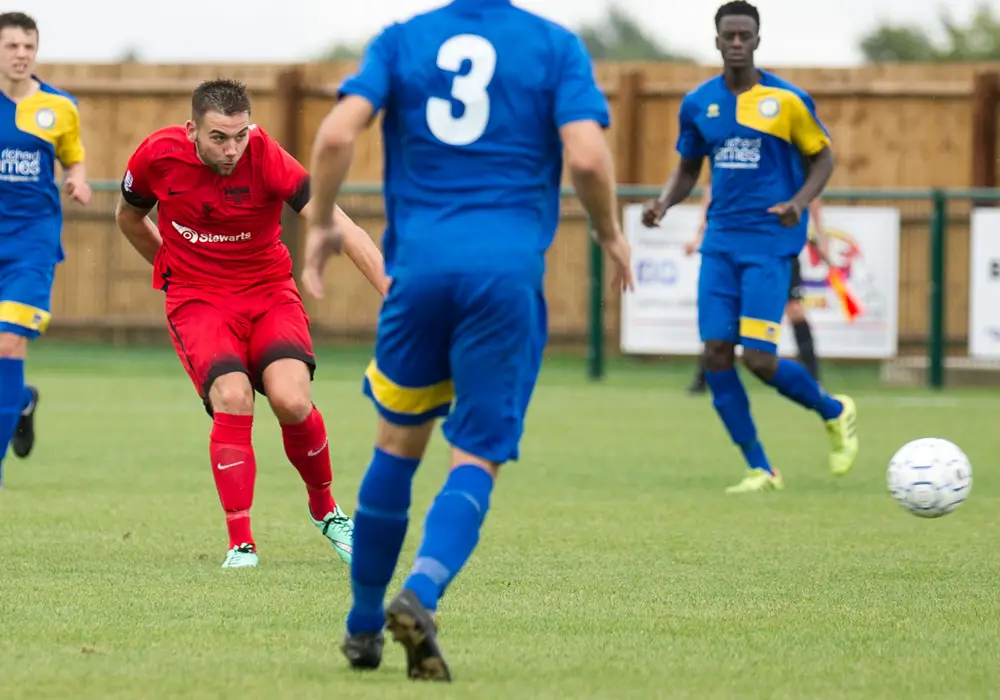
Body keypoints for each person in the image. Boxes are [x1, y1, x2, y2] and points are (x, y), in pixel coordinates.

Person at [302, 0, 632, 681]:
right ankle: (420, 592)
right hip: (504, 281)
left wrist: (320, 227)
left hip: (416, 274)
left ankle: (363, 627)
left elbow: (336, 136)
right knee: (475, 456)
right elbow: (590, 157)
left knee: (395, 445)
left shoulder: (402, 41)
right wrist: (608, 232)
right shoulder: (554, 46)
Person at [114, 78, 389, 568]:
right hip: (198, 300)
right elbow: (128, 217)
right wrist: (172, 267)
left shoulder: (267, 157)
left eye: (240, 135)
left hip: (267, 293)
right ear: (191, 130)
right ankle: (241, 544)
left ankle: (326, 511)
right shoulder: (155, 156)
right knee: (234, 395)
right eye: (219, 137)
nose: (232, 149)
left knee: (290, 398)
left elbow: (339, 225)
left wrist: (394, 295)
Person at [642, 1, 858, 495]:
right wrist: (662, 203)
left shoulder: (787, 100)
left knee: (758, 360)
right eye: (729, 35)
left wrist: (798, 202)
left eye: (745, 35)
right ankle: (761, 467)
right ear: (716, 40)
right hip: (720, 243)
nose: (736, 43)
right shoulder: (698, 103)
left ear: (757, 40)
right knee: (717, 352)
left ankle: (835, 410)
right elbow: (688, 168)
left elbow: (824, 159)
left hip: (769, 244)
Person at [0, 12, 91, 488]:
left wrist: (76, 179)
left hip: (31, 245)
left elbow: (73, 159)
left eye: (28, 46)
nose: (21, 54)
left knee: (8, 344)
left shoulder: (59, 108)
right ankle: (22, 401)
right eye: (12, 45)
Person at [686, 185, 828, 394]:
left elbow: (812, 192)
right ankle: (704, 379)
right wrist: (700, 232)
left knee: (795, 310)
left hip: (776, 248)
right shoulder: (731, 156)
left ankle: (814, 379)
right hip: (735, 246)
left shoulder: (786, 157)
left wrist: (821, 235)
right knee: (725, 313)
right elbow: (713, 190)